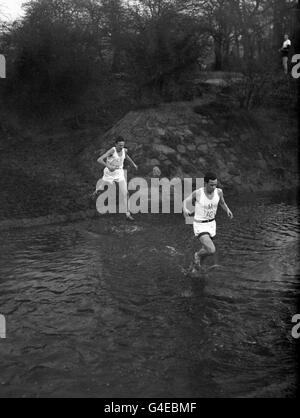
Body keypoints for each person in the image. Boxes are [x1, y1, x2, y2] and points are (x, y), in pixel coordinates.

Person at [183, 173, 233, 276]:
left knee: (206, 250)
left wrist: (227, 210)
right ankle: (196, 255)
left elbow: (222, 203)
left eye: (215, 184)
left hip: (211, 225)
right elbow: (185, 201)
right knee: (211, 249)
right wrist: (185, 209)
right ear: (205, 183)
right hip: (200, 225)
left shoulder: (219, 192)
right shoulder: (198, 193)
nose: (214, 187)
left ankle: (195, 269)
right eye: (211, 185)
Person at [92, 136, 138, 221]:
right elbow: (99, 159)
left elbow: (126, 156)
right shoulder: (112, 151)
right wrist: (108, 166)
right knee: (102, 188)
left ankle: (128, 214)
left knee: (126, 193)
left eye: (123, 145)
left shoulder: (124, 150)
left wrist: (133, 164)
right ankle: (96, 191)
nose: (121, 147)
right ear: (116, 144)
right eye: (120, 145)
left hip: (119, 173)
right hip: (109, 174)